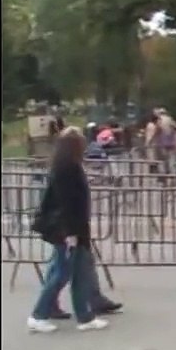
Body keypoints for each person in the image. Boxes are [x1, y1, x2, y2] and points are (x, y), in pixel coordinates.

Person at [27, 127, 110, 333]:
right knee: (62, 274)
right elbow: (67, 203)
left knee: (74, 272)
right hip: (69, 229)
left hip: (71, 228)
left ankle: (84, 316)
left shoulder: (64, 166)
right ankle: (39, 314)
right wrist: (71, 232)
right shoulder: (68, 169)